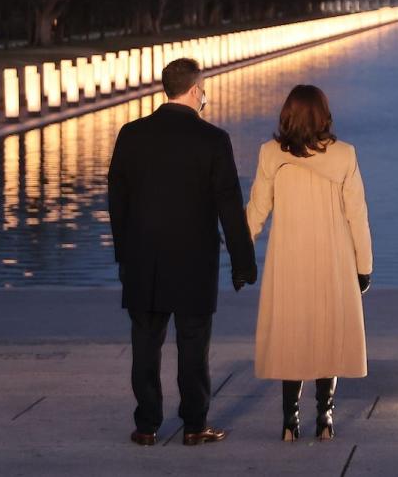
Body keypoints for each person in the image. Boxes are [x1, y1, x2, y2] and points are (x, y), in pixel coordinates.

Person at [107, 57, 257, 447]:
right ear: (194, 90)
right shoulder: (213, 140)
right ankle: (194, 425)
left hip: (143, 260)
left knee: (145, 344)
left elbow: (117, 201)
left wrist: (123, 253)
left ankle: (146, 425)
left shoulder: (131, 134)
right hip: (193, 261)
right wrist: (243, 264)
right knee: (193, 347)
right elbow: (228, 205)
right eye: (202, 89)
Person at [246, 84, 373, 442]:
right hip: (333, 259)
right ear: (323, 115)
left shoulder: (271, 154)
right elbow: (357, 217)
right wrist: (364, 267)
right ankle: (326, 417)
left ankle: (290, 421)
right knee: (327, 336)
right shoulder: (345, 155)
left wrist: (241, 251)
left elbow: (257, 209)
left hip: (288, 259)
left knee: (292, 338)